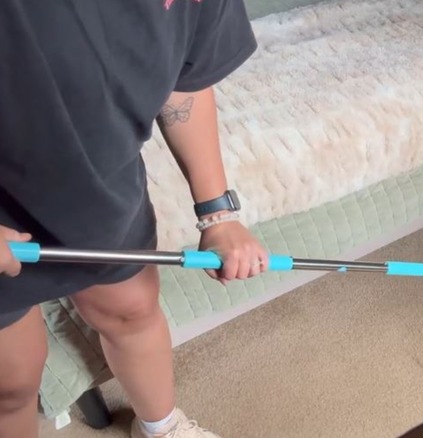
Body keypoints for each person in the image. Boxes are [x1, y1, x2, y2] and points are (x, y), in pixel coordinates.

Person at [0, 1, 267, 437]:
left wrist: (218, 214)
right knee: (11, 382)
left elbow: (185, 81)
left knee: (133, 310)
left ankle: (162, 428)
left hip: (103, 187)